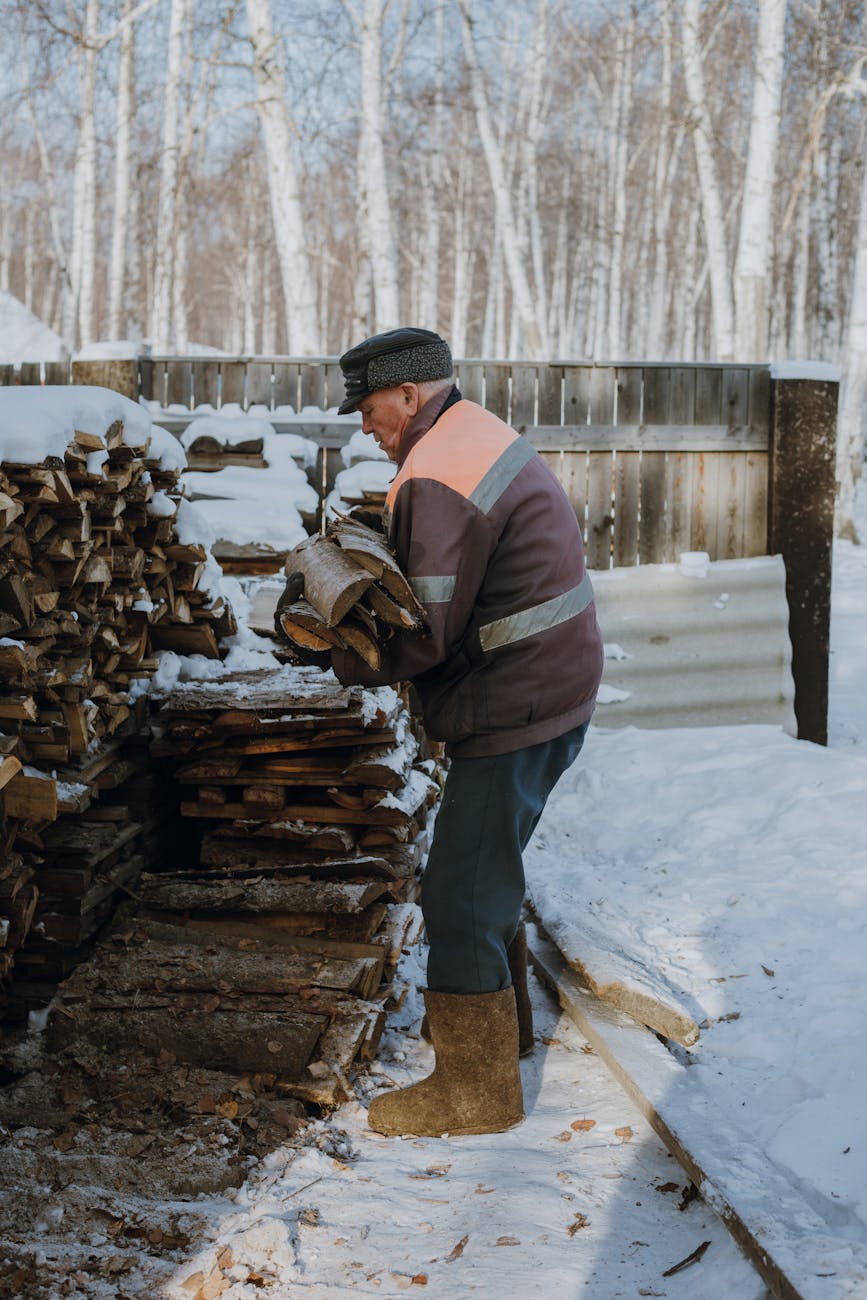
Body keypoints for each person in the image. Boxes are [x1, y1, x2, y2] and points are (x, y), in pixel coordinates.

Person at [278, 327, 604, 1139]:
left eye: (368, 405)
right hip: (547, 685)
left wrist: (322, 643)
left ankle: (473, 1091)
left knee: (458, 888)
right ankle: (506, 1042)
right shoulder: (466, 434)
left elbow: (419, 633)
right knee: (487, 867)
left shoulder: (437, 473)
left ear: (409, 396)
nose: (362, 422)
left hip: (518, 699)